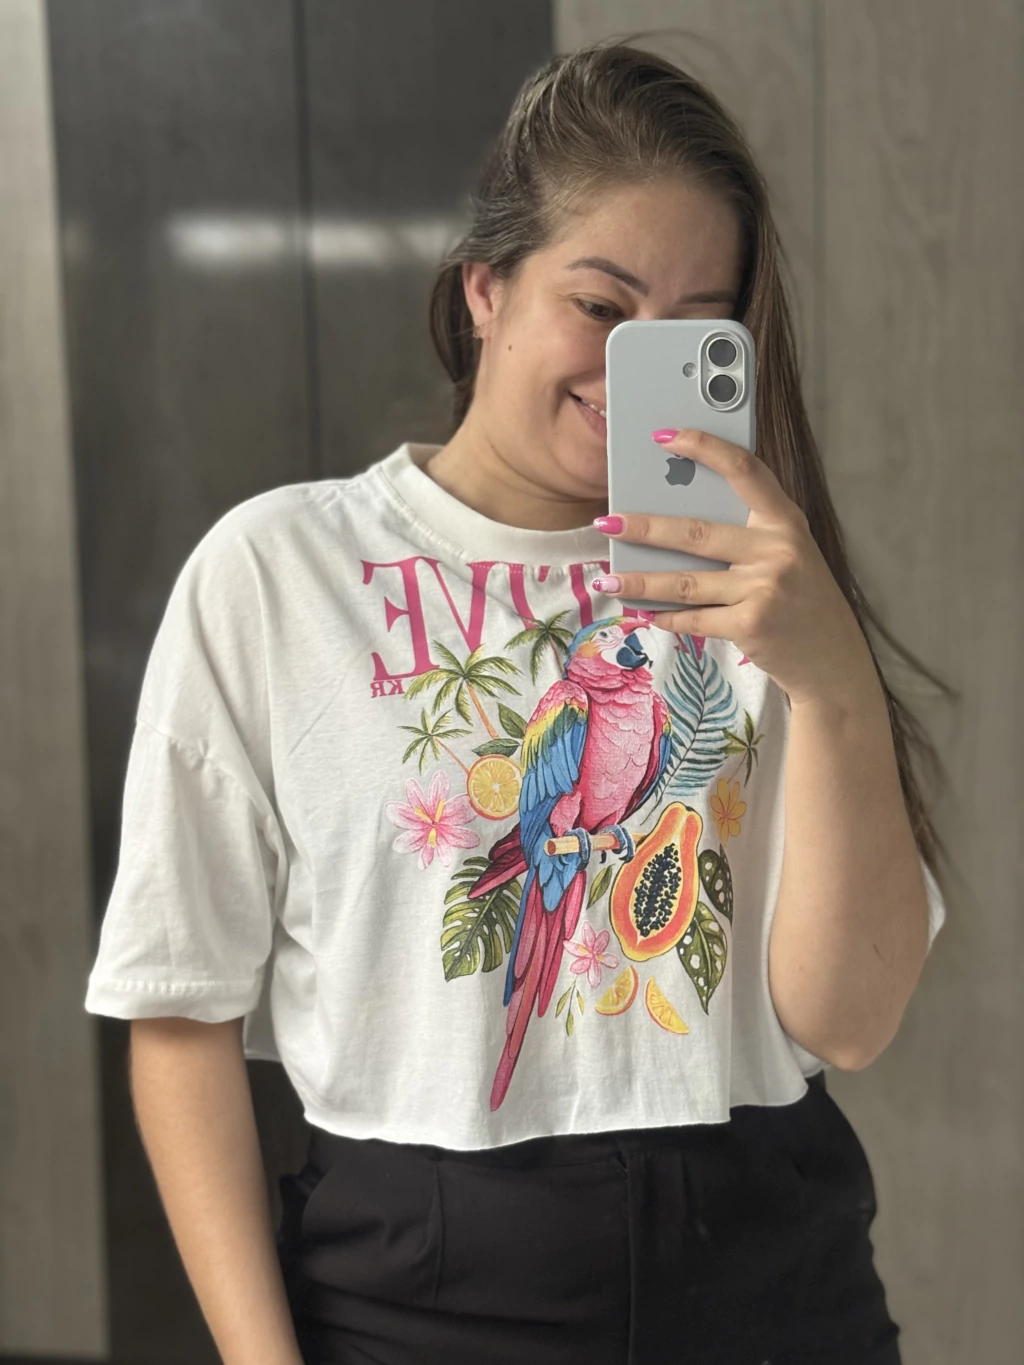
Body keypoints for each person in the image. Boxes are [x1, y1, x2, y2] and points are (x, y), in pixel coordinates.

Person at [84, 37, 951, 1365]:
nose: (635, 365)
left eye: (694, 328)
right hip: (417, 1290)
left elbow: (849, 1019)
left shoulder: (763, 586)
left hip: (775, 1283)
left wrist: (831, 677)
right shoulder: (278, 573)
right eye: (600, 306)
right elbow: (180, 1010)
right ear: (484, 289)